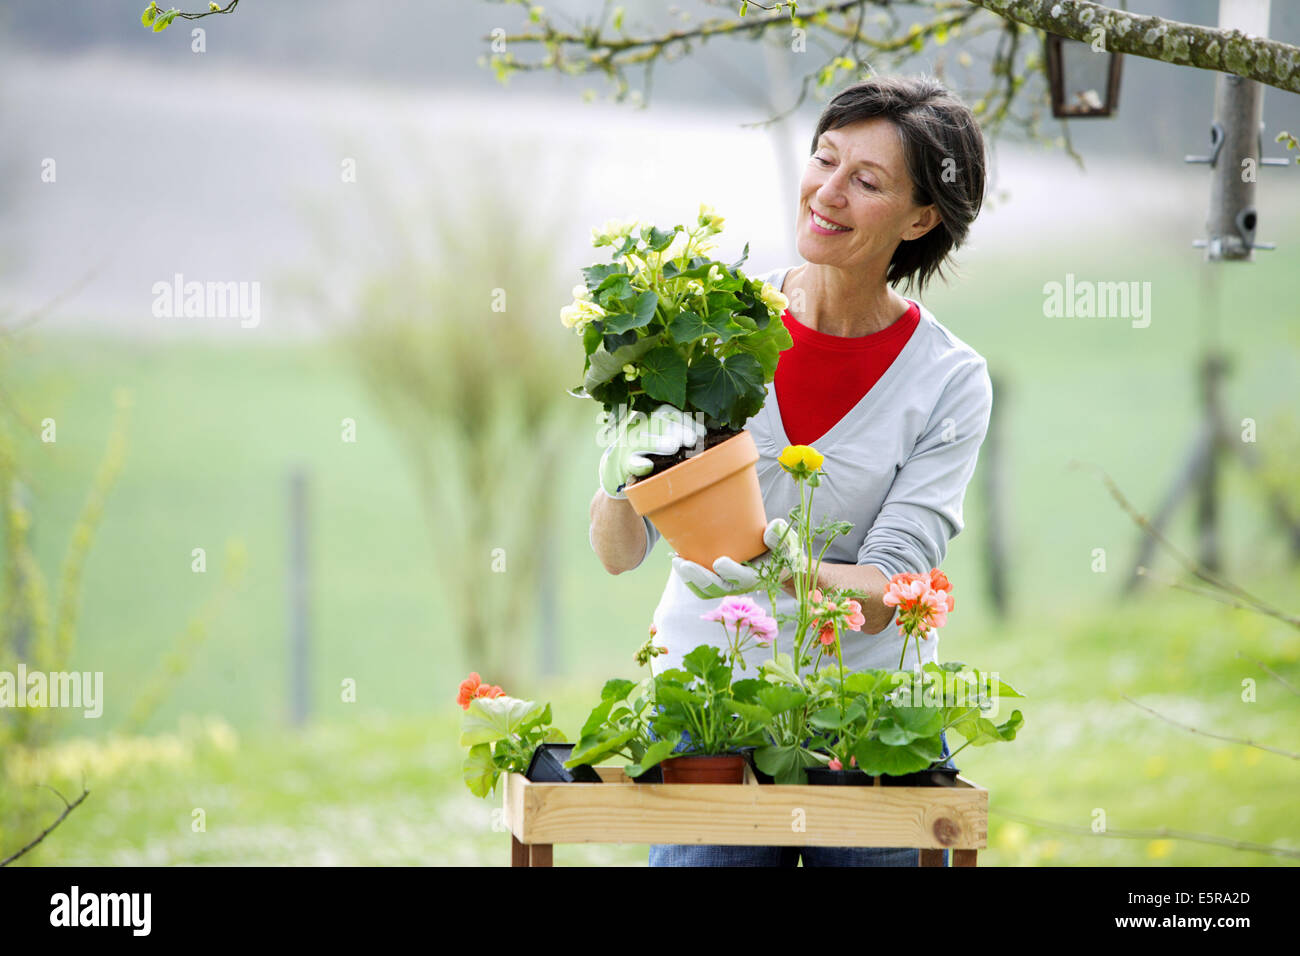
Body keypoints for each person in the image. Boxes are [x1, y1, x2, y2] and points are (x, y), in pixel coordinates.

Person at [589, 75, 992, 867]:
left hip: (867, 717)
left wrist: (797, 574)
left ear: (921, 217)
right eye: (825, 160)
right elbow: (618, 552)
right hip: (709, 705)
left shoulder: (948, 379)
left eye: (865, 181)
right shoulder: (706, 324)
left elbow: (891, 592)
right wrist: (619, 467)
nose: (827, 192)